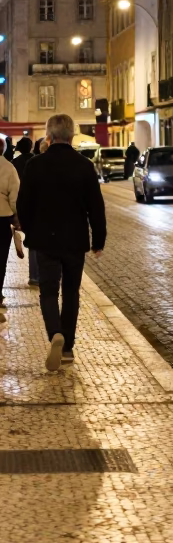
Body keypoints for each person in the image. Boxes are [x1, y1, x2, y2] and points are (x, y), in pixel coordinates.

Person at [17, 113, 106, 373]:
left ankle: (54, 332)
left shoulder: (35, 165)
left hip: (44, 240)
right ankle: (67, 348)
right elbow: (96, 208)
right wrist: (98, 240)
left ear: (50, 136)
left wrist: (30, 232)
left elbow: (24, 204)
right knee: (71, 292)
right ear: (71, 136)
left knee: (47, 291)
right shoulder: (84, 165)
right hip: (74, 240)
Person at [11, 137, 39, 286]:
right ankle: (36, 275)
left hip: (20, 204)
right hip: (35, 206)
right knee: (35, 241)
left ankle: (34, 275)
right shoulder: (36, 162)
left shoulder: (15, 163)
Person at [0, 134, 19, 319]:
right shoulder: (8, 168)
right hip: (2, 220)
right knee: (0, 260)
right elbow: (15, 198)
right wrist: (17, 219)